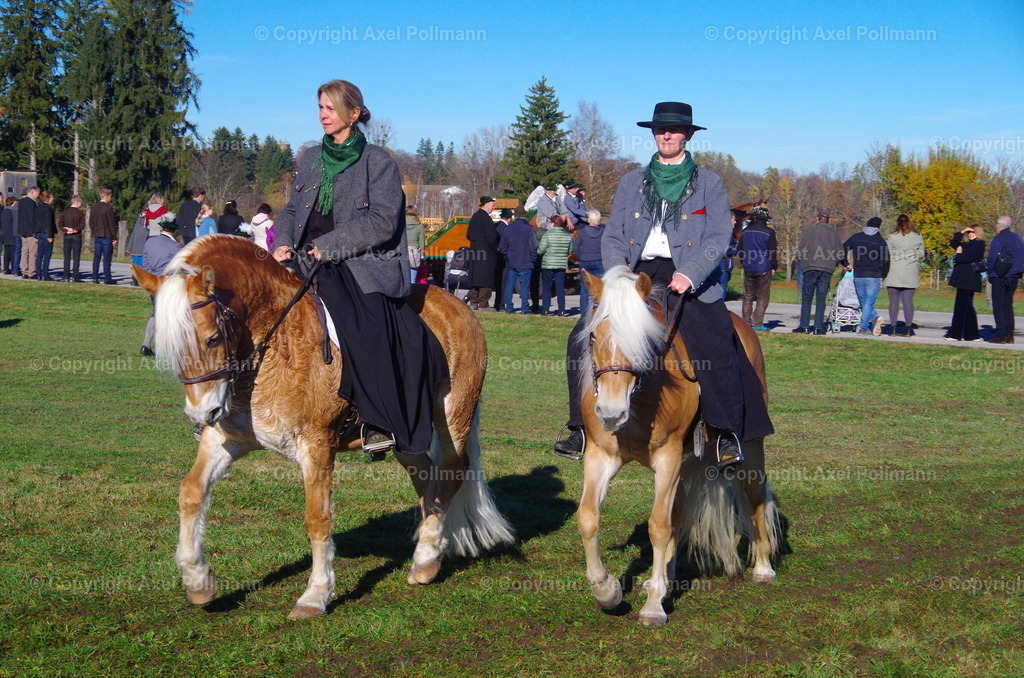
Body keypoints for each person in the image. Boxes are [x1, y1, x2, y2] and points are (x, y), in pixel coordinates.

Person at [554, 101, 773, 467]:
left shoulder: (709, 183)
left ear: (687, 135)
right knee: (583, 332)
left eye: (674, 130)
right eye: (660, 130)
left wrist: (690, 273)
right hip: (635, 274)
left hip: (690, 277)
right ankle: (578, 427)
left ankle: (723, 432)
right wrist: (618, 274)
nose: (666, 135)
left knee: (717, 336)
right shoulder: (631, 181)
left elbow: (719, 235)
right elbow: (614, 234)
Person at [272, 79, 447, 459]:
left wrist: (328, 247)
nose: (323, 114)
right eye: (320, 107)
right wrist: (282, 242)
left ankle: (376, 419)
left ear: (354, 114)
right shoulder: (310, 159)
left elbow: (383, 222)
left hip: (360, 263)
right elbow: (289, 210)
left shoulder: (378, 161)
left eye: (330, 108)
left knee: (365, 325)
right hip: (304, 258)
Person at [793, 209, 844, 334]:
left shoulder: (809, 231)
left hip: (810, 267)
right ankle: (818, 327)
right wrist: (833, 265)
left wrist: (805, 263)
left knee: (807, 298)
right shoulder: (834, 233)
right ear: (829, 220)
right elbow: (840, 253)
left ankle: (804, 326)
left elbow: (800, 251)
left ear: (817, 218)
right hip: (826, 268)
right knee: (821, 299)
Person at [139, 220, 183, 356]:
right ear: (173, 230)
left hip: (152, 282)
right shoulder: (175, 246)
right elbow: (179, 268)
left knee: (156, 312)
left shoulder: (149, 242)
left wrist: (152, 276)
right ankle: (165, 347)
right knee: (167, 316)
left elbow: (145, 263)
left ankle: (146, 344)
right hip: (167, 284)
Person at [842, 216, 890, 335]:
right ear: (879, 227)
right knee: (868, 302)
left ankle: (875, 318)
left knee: (864, 302)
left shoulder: (857, 237)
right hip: (874, 275)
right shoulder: (880, 241)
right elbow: (886, 260)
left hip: (858, 275)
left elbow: (842, 248)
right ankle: (863, 327)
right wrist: (883, 275)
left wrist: (846, 263)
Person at [883, 214, 926, 336]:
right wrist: (912, 256)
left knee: (893, 302)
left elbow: (888, 253)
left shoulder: (892, 236)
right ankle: (908, 329)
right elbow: (922, 254)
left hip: (894, 271)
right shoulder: (917, 236)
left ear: (897, 223)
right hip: (910, 271)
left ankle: (892, 328)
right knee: (908, 302)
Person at [736, 205, 778, 331]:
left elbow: (740, 250)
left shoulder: (746, 231)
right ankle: (757, 322)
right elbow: (773, 252)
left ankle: (746, 322)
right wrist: (774, 266)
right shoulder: (769, 232)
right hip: (764, 267)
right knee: (763, 296)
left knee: (748, 296)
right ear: (766, 220)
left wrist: (745, 263)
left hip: (749, 267)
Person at [985, 215, 1024, 344]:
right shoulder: (1018, 238)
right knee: (1008, 305)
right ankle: (1009, 334)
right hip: (1014, 275)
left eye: (997, 223)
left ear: (1000, 225)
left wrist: (991, 272)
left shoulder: (999, 238)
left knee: (999, 305)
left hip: (1001, 275)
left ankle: (1001, 335)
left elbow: (992, 258)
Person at [945, 226, 985, 342]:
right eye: (969, 233)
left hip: (969, 279)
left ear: (978, 233)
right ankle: (971, 335)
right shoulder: (966, 244)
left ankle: (956, 334)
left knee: (962, 307)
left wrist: (958, 255)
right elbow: (953, 242)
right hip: (963, 278)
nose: (970, 234)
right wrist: (961, 231)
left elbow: (967, 257)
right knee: (966, 307)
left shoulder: (979, 244)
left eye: (973, 232)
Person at [498, 210, 538, 313]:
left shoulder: (508, 229)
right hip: (526, 261)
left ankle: (509, 307)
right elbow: (533, 246)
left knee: (509, 285)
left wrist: (508, 255)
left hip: (511, 261)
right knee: (524, 286)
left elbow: (502, 247)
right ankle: (524, 308)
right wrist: (532, 258)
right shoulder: (529, 229)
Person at [466, 196, 499, 310]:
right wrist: (496, 249)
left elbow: (468, 235)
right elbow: (492, 237)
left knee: (475, 277)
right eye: (492, 205)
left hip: (475, 251)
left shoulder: (475, 216)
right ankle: (483, 304)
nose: (493, 208)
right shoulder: (486, 218)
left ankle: (473, 302)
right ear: (486, 205)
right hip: (487, 253)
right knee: (486, 278)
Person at [538, 214, 573, 315]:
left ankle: (545, 309)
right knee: (560, 288)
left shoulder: (547, 235)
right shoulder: (567, 235)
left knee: (547, 287)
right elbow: (570, 250)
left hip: (548, 264)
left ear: (552, 223)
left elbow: (541, 250)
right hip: (561, 264)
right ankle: (561, 310)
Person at [574, 208, 605, 313]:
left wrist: (580, 256)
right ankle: (598, 311)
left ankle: (584, 314)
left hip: (585, 260)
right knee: (599, 288)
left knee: (584, 288)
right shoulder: (603, 232)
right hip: (599, 260)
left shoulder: (582, 232)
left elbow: (576, 246)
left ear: (589, 219)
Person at [90, 189, 118, 284]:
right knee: (106, 258)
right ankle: (107, 277)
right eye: (110, 197)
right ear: (106, 196)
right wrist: (114, 237)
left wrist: (95, 231)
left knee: (96, 257)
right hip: (106, 235)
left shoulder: (94, 207)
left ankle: (95, 277)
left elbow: (91, 222)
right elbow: (111, 224)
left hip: (97, 235)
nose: (110, 199)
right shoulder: (108, 208)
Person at [59, 195, 86, 282]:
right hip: (76, 236)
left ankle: (66, 275)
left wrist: (65, 230)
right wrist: (75, 230)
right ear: (77, 202)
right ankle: (75, 276)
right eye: (80, 202)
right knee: (76, 257)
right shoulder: (80, 213)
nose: (81, 204)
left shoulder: (64, 212)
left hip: (67, 236)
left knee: (67, 257)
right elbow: (82, 225)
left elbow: (60, 224)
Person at [718, 209, 744, 302]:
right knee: (721, 294)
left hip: (726, 268)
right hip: (722, 268)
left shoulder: (729, 235)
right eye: (733, 219)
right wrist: (737, 250)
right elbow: (724, 250)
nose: (735, 222)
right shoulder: (724, 235)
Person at [33, 190, 57, 281]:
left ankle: (39, 273)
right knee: (47, 254)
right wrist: (49, 235)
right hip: (46, 233)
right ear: (48, 198)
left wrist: (35, 234)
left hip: (39, 233)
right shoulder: (48, 209)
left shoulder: (38, 207)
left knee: (40, 254)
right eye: (51, 197)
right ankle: (45, 274)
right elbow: (48, 223)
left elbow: (35, 222)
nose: (52, 199)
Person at [18, 186, 40, 279]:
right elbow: (32, 218)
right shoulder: (31, 203)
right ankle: (31, 271)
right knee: (32, 252)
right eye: (37, 193)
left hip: (23, 230)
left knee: (24, 251)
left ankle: (24, 271)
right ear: (32, 193)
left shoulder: (21, 202)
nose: (38, 196)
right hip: (31, 231)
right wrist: (35, 232)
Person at [405, 206, 424, 284]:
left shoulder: (401, 223)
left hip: (402, 251)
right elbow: (421, 242)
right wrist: (422, 254)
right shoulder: (419, 226)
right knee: (412, 280)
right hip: (414, 252)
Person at [1, 197, 18, 274]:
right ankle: (14, 268)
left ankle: (6, 268)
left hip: (5, 235)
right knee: (13, 253)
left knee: (6, 253)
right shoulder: (12, 212)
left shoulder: (3, 212)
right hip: (12, 234)